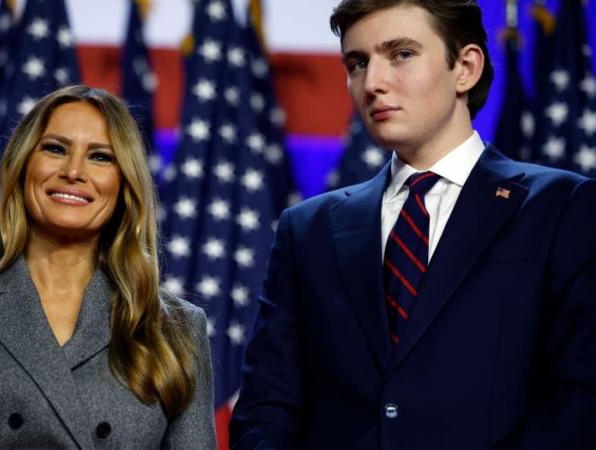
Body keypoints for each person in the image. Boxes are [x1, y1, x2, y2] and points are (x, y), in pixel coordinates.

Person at [230, 1, 596, 449]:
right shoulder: (307, 229)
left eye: (401, 54)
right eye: (358, 63)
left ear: (465, 67)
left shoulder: (562, 207)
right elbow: (266, 408)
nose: (373, 83)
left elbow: (579, 398)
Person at [0, 85, 217, 449]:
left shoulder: (175, 327)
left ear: (124, 184)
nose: (73, 171)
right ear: (21, 166)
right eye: (55, 149)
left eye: (100, 157)